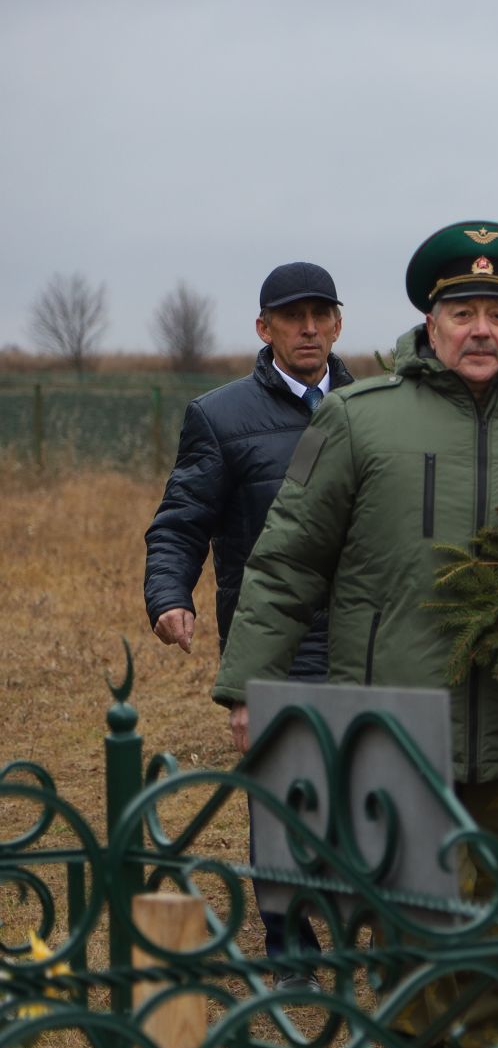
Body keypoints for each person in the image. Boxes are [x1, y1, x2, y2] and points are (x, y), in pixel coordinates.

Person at [212, 220, 498, 1048]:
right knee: (402, 918)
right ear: (429, 325)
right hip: (390, 711)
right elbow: (285, 561)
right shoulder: (360, 421)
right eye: (462, 311)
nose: (481, 329)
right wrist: (246, 687)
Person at [143, 262, 351, 987]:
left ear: (338, 323)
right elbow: (180, 520)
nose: (309, 329)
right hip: (273, 633)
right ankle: (290, 944)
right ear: (264, 329)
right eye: (293, 317)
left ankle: (363, 930)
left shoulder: (372, 407)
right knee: (285, 787)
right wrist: (170, 592)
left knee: (365, 780)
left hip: (364, 634)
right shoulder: (221, 416)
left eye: (321, 314)